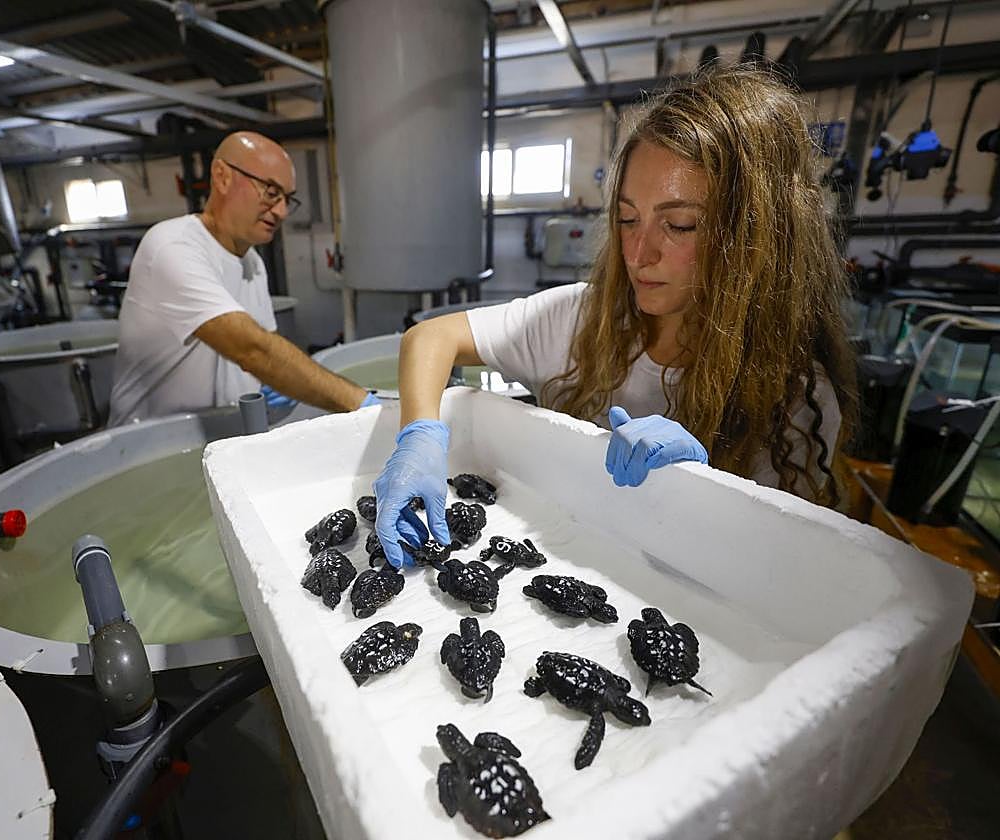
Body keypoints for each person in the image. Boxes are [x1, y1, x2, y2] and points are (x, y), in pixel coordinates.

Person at [371, 64, 858, 569]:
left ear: (753, 240)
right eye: (627, 219)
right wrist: (420, 436)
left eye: (680, 225)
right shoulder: (579, 319)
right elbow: (430, 337)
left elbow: (776, 572)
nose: (639, 252)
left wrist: (710, 489)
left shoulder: (796, 399)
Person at [108, 131, 375, 426]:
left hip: (222, 435)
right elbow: (252, 349)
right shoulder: (172, 246)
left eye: (287, 199)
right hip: (152, 446)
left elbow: (265, 343)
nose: (282, 211)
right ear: (222, 176)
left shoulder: (252, 262)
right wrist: (359, 402)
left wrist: (276, 381)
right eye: (271, 192)